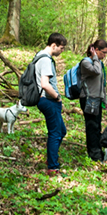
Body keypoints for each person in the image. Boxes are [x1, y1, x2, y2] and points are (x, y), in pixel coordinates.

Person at [35, 33, 68, 176]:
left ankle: (51, 159)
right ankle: (53, 167)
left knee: (61, 131)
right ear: (53, 45)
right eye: (61, 48)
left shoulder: (39, 56)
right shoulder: (46, 60)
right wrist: (57, 97)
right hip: (48, 100)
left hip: (45, 100)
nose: (62, 51)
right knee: (55, 133)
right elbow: (45, 84)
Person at [79, 39, 107, 161]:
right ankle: (94, 154)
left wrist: (104, 99)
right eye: (103, 52)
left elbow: (102, 83)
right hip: (88, 98)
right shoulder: (86, 63)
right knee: (91, 126)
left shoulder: (99, 63)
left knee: (97, 126)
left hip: (97, 99)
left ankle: (98, 150)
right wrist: (95, 57)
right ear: (96, 50)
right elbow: (96, 72)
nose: (105, 55)